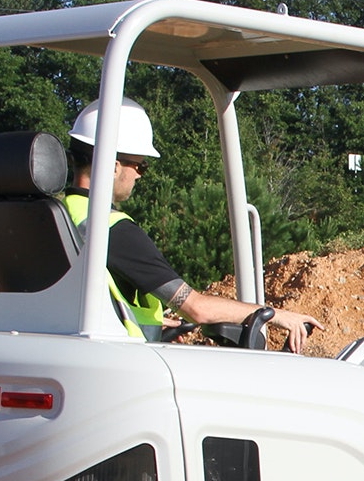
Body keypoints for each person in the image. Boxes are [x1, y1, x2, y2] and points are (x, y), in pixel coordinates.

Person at [65, 99, 322, 352]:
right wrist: (274, 315)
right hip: (126, 364)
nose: (140, 175)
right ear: (112, 165)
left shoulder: (63, 214)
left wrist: (152, 323)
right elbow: (196, 308)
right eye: (140, 166)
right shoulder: (114, 230)